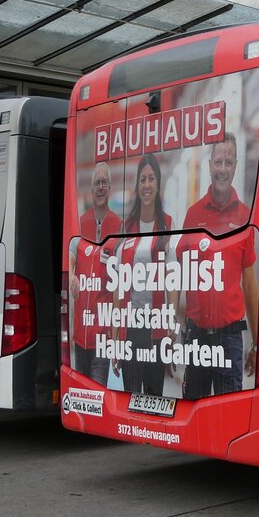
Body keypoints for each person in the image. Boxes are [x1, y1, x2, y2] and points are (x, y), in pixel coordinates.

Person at [175, 133, 259, 399]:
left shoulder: (245, 217)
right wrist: (173, 327)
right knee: (195, 413)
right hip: (196, 338)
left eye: (228, 162)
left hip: (230, 340)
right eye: (218, 162)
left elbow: (250, 285)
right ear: (209, 164)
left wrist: (257, 343)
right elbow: (179, 274)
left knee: (229, 414)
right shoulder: (193, 215)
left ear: (235, 166)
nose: (222, 169)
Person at [112, 153, 173, 395]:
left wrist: (171, 329)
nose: (146, 185)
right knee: (130, 395)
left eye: (151, 179)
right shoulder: (126, 228)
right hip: (131, 326)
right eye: (142, 179)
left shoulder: (168, 225)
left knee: (154, 395)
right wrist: (115, 338)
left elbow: (173, 281)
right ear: (137, 186)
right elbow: (118, 285)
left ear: (158, 184)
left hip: (156, 326)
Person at [68, 163, 122, 385]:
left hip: (103, 338)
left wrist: (116, 339)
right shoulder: (80, 224)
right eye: (97, 183)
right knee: (82, 392)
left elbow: (119, 286)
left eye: (104, 183)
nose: (100, 187)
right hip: (80, 337)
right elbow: (71, 255)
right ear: (91, 189)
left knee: (97, 394)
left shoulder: (119, 226)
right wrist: (71, 275)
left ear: (110, 188)